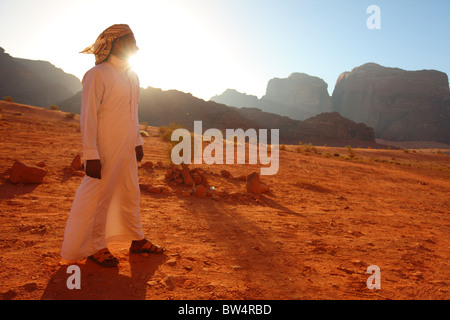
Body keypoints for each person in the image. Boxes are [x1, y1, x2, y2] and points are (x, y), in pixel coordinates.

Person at [60, 24, 165, 267]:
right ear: (116, 43)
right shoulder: (97, 74)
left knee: (130, 192)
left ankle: (136, 239)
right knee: (98, 196)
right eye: (131, 41)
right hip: (104, 147)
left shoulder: (133, 76)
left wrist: (137, 141)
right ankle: (94, 247)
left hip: (127, 146)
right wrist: (90, 155)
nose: (136, 46)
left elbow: (133, 113)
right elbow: (89, 117)